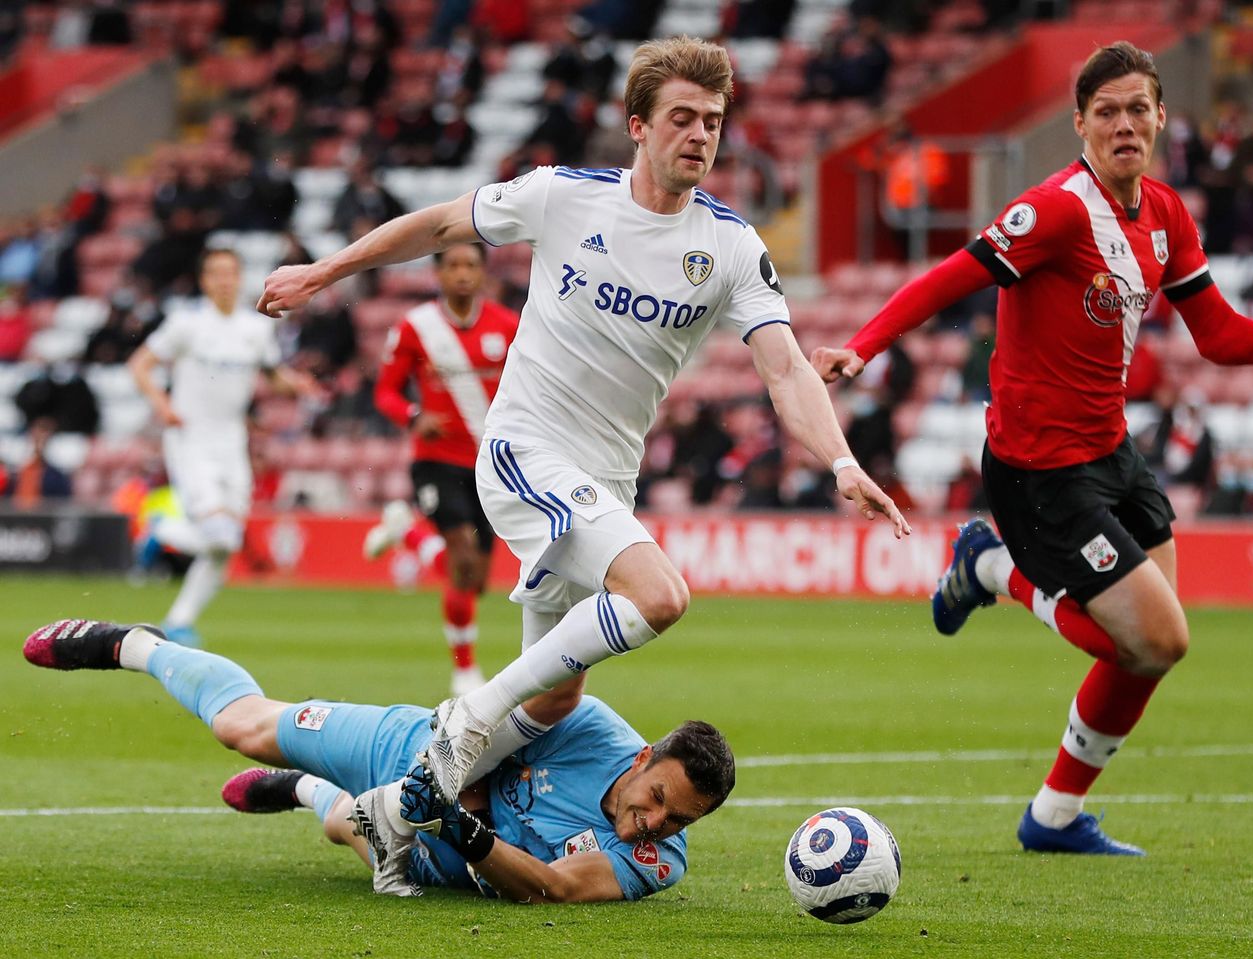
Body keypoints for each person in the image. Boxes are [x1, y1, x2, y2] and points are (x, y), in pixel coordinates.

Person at [257, 36, 908, 894]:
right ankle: (466, 718)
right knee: (659, 595)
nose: (700, 135)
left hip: (605, 480)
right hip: (524, 450)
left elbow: (784, 365)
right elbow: (445, 223)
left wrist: (840, 461)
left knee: (556, 702)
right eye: (682, 117)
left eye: (713, 122)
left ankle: (388, 814)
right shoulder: (563, 196)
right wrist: (326, 271)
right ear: (638, 126)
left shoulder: (732, 247)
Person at [812, 42, 1253, 856]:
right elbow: (952, 274)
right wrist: (863, 344)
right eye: (1108, 110)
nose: (1125, 123)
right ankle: (991, 566)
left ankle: (1051, 818)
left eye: (1139, 108)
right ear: (1081, 122)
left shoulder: (1164, 213)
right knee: (1157, 638)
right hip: (1039, 470)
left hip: (1113, 452)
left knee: (1149, 651)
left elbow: (1219, 335)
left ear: (1161, 116)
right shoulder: (1054, 210)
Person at [21, 618, 734, 902]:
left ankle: (300, 790)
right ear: (644, 757)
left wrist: (457, 824)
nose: (655, 821)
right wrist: (449, 784)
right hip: (415, 747)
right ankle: (131, 644)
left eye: (679, 820)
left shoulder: (658, 862)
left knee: (340, 822)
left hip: (436, 856)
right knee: (244, 726)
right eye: (659, 795)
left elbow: (549, 887)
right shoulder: (588, 725)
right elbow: (524, 705)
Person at [129, 248, 319, 647]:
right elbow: (140, 364)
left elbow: (272, 375)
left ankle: (179, 621)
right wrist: (162, 405)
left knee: (225, 544)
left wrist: (299, 384)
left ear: (239, 278)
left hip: (232, 441)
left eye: (230, 273)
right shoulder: (187, 324)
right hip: (191, 437)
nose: (224, 281)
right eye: (216, 274)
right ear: (204, 281)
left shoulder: (255, 329)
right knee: (219, 534)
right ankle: (160, 529)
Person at [364, 244, 520, 696]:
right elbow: (386, 394)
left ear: (483, 273)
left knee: (475, 581)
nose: (462, 274)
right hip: (436, 460)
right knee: (461, 559)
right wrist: (415, 417)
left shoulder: (507, 326)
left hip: (491, 464)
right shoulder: (417, 327)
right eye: (452, 265)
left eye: (471, 265)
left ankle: (408, 534)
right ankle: (464, 670)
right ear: (437, 273)